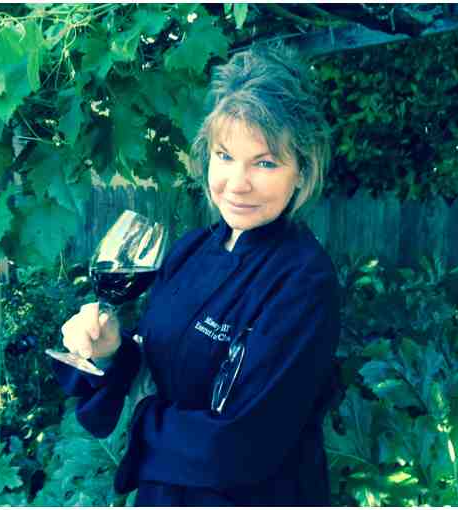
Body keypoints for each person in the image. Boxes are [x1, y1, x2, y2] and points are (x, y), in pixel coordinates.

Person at [52, 43, 340, 506]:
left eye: (265, 162)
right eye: (225, 156)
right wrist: (109, 354)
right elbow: (158, 361)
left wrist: (138, 414)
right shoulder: (191, 249)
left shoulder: (304, 282)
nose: (237, 183)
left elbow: (242, 444)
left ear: (302, 171)